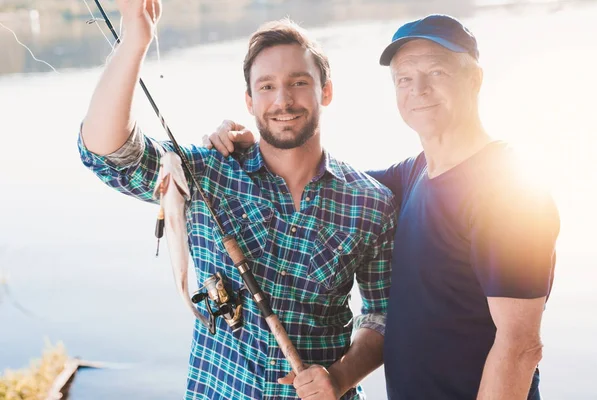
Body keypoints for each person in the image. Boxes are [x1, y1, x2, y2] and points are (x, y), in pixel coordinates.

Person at [204, 14, 561, 400]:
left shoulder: (507, 190)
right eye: (404, 79)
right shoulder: (412, 176)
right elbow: (316, 179)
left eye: (436, 72)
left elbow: (521, 348)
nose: (418, 89)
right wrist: (248, 143)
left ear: (474, 79)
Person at [77, 1, 397, 400]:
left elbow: (384, 314)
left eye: (298, 82)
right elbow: (107, 155)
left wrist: (341, 377)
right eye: (266, 86)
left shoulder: (370, 202)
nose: (283, 100)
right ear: (249, 101)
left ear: (325, 91)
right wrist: (134, 42)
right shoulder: (206, 171)